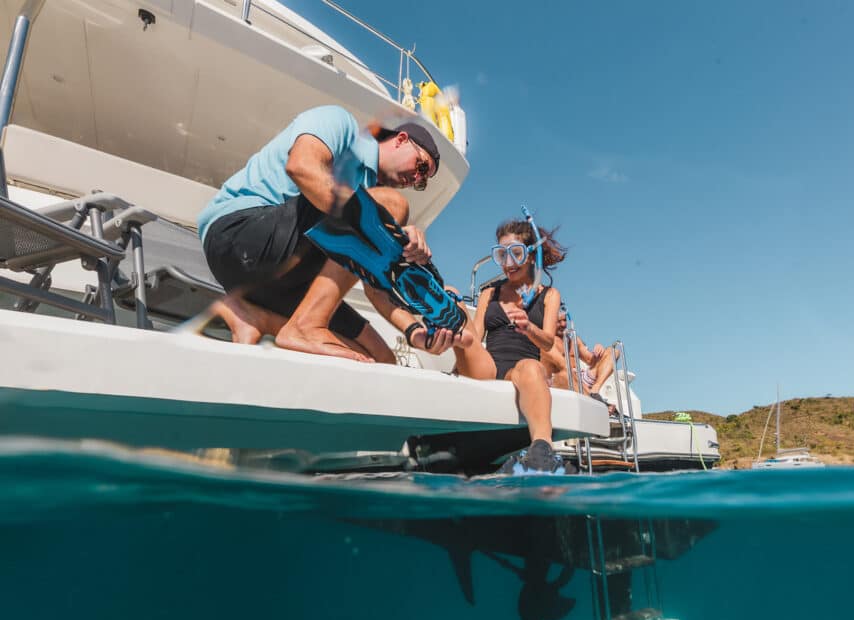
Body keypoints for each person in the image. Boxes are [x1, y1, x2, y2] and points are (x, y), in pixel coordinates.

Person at [195, 106, 445, 361]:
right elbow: (302, 166)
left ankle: (254, 317)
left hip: (277, 277)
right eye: (421, 167)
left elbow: (374, 290)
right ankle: (305, 326)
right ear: (401, 140)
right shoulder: (341, 124)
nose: (416, 179)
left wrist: (416, 332)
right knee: (394, 204)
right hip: (236, 234)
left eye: (422, 181)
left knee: (380, 358)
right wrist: (381, 229)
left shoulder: (372, 192)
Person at [473, 216, 573, 474]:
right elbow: (474, 336)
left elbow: (549, 340)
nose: (508, 263)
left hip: (520, 370)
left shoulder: (549, 295)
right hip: (486, 366)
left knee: (530, 367)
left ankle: (542, 451)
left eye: (515, 253)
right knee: (456, 308)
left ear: (530, 255)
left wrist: (529, 327)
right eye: (501, 255)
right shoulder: (489, 293)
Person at [541, 309, 619, 409]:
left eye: (565, 320)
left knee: (613, 351)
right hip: (563, 381)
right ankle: (597, 403)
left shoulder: (573, 339)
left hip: (582, 379)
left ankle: (595, 391)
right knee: (564, 375)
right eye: (559, 321)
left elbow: (590, 360)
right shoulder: (547, 342)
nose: (564, 324)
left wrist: (598, 351)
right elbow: (562, 368)